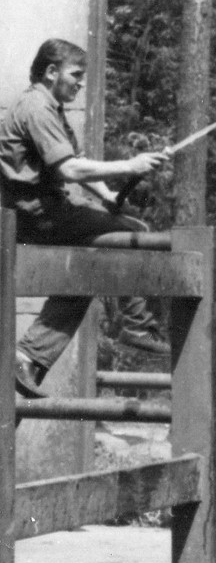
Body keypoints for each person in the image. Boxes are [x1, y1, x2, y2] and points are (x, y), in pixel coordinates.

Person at [1, 38, 172, 398]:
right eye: (76, 75)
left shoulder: (50, 107)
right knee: (132, 234)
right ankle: (137, 325)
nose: (80, 83)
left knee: (92, 264)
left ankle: (28, 354)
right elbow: (70, 168)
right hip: (35, 216)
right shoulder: (36, 107)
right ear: (51, 72)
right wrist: (130, 164)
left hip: (41, 212)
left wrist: (111, 199)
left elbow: (76, 167)